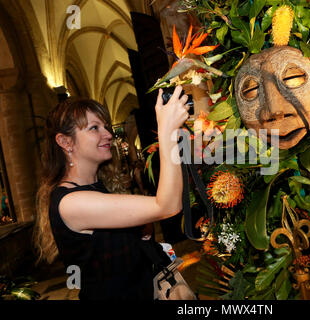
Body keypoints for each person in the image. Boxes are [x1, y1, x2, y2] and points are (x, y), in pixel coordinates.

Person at [33, 86, 191, 300]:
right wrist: (167, 131)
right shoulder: (71, 202)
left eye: (105, 126)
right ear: (65, 142)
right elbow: (168, 206)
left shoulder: (97, 186)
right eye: (94, 128)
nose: (108, 134)